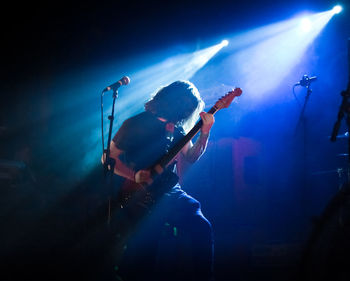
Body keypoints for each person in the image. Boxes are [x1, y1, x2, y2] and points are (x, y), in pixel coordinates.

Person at [105, 80, 215, 281]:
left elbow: (190, 155)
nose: (187, 111)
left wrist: (205, 132)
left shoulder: (178, 128)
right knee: (147, 244)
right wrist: (133, 175)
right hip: (139, 192)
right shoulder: (135, 124)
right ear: (172, 99)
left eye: (191, 108)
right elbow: (108, 158)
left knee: (201, 225)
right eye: (186, 106)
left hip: (170, 191)